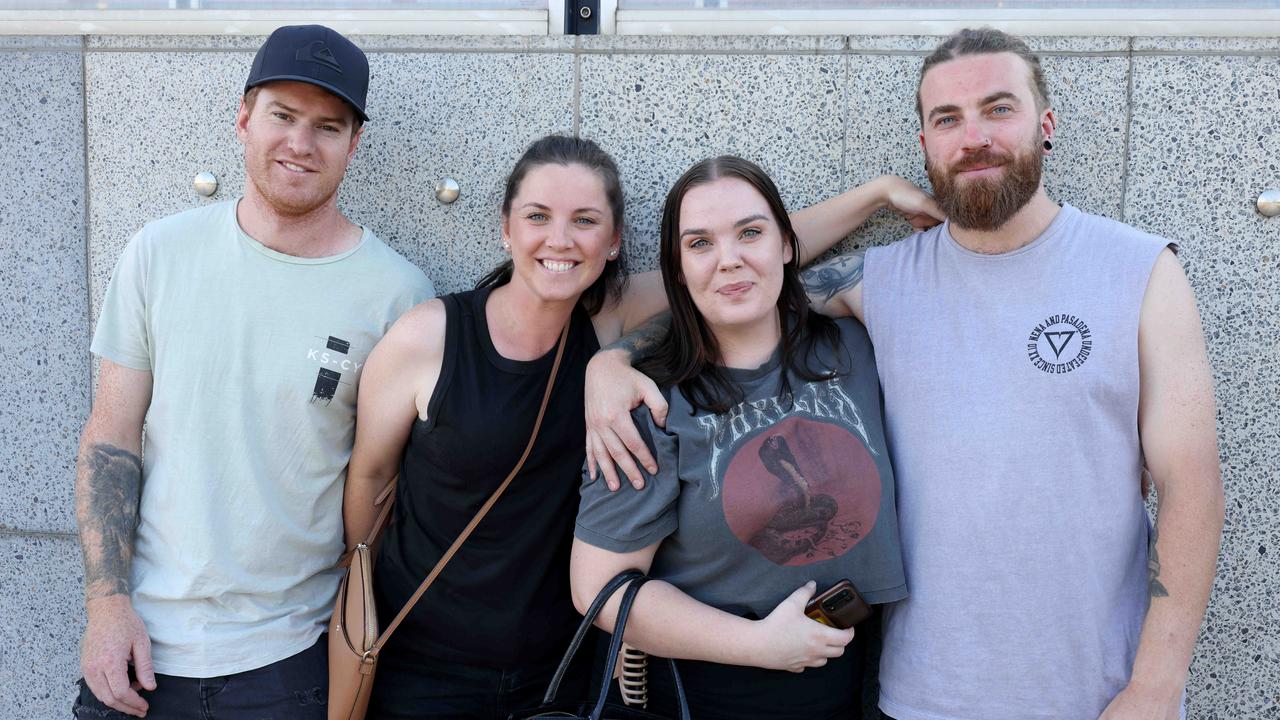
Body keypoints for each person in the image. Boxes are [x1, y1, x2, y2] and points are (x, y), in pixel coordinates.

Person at [585, 28, 1224, 720]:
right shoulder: (880, 284)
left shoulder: (1139, 271)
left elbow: (1192, 489)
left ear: (1045, 126)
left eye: (998, 108)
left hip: (1100, 695)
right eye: (947, 119)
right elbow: (726, 291)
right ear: (925, 145)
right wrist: (611, 361)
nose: (972, 135)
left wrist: (1155, 689)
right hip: (921, 697)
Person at [343, 136, 938, 719]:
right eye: (537, 216)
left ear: (612, 242)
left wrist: (878, 194)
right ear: (505, 228)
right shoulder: (432, 337)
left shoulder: (612, 321)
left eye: (584, 220)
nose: (560, 239)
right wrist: (350, 591)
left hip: (559, 663)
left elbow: (740, 273)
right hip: (428, 660)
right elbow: (369, 477)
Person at [73, 25, 435, 719]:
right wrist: (106, 607)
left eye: (328, 127)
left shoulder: (397, 296)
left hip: (290, 663)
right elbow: (112, 435)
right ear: (244, 119)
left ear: (353, 147)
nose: (301, 143)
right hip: (139, 649)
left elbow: (392, 486)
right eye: (283, 116)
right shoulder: (160, 252)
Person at [570, 155, 906, 720]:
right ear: (677, 269)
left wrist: (884, 191)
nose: (729, 260)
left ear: (788, 245)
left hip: (843, 679)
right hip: (707, 688)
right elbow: (599, 590)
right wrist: (757, 646)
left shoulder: (853, 345)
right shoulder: (651, 401)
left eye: (750, 232)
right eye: (699, 244)